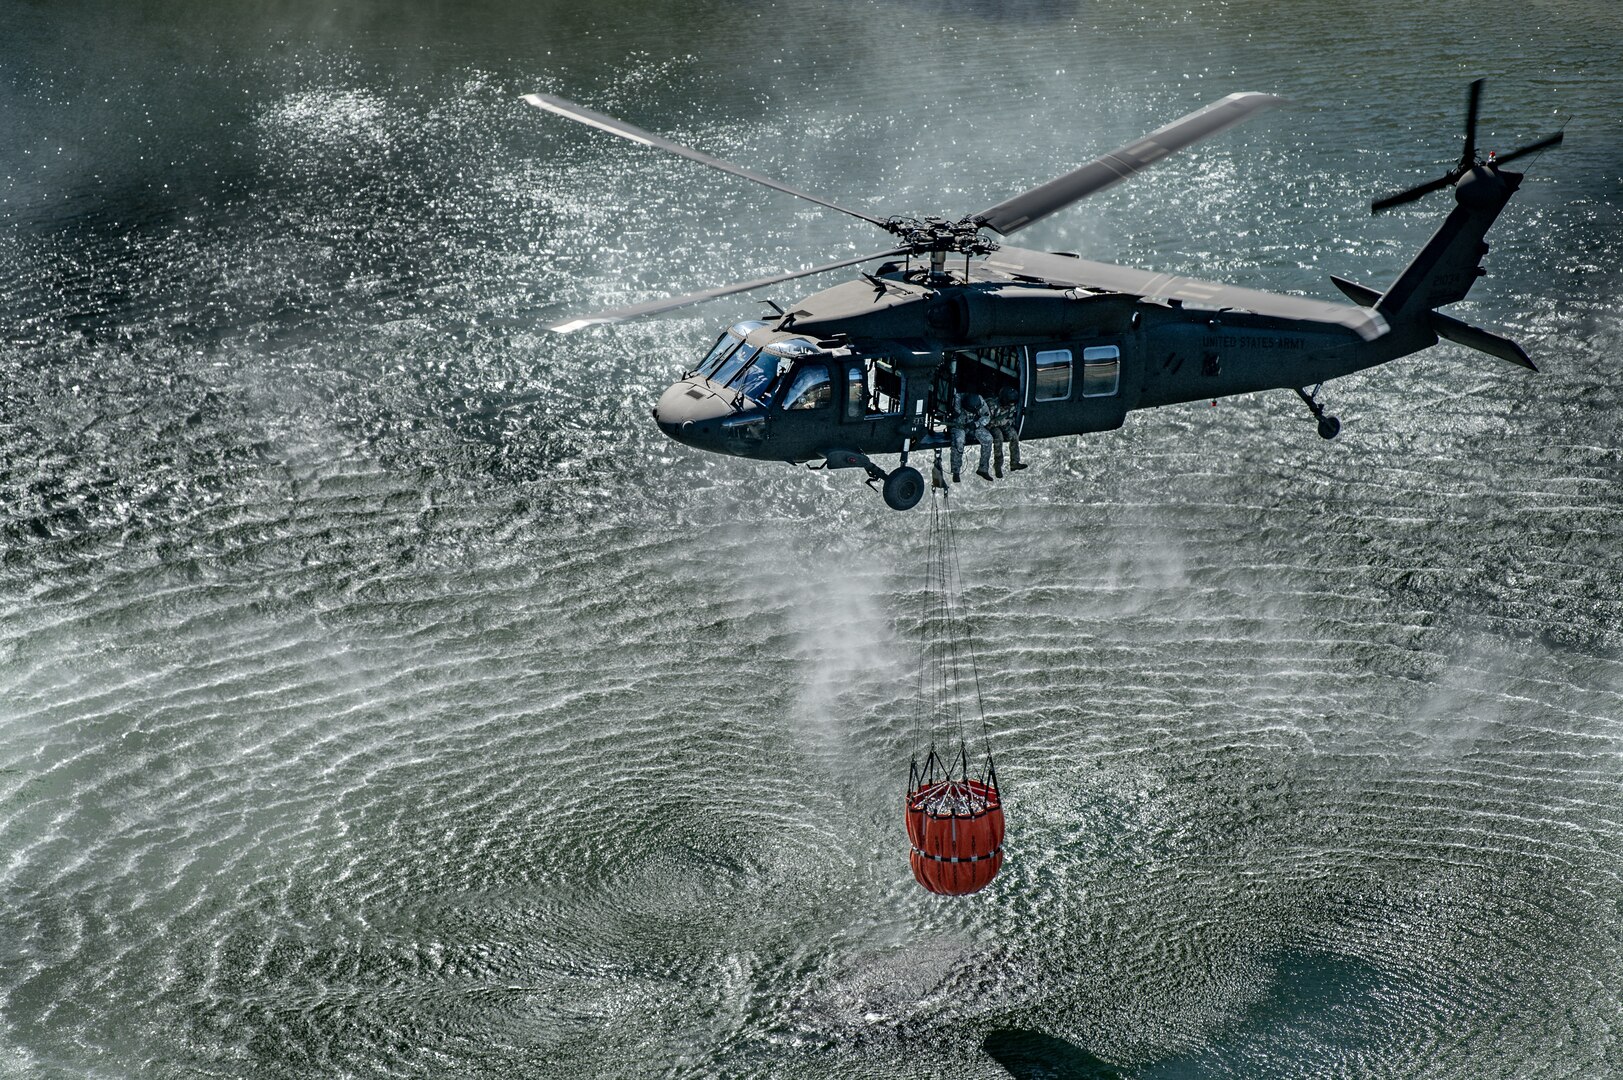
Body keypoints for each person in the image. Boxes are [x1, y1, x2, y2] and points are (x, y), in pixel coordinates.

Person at [948, 390, 994, 482]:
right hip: (959, 426)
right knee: (959, 440)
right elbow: (954, 415)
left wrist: (976, 424)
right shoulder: (957, 399)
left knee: (988, 439)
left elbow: (986, 417)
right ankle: (956, 471)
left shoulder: (979, 401)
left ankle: (983, 469)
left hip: (973, 425)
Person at [989, 386, 1027, 477]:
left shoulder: (1013, 405)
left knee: (1014, 436)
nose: (1008, 407)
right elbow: (988, 422)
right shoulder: (992, 405)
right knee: (999, 438)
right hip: (993, 426)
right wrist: (1001, 422)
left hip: (1004, 424)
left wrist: (1007, 422)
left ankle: (1015, 462)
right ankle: (998, 466)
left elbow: (1011, 418)